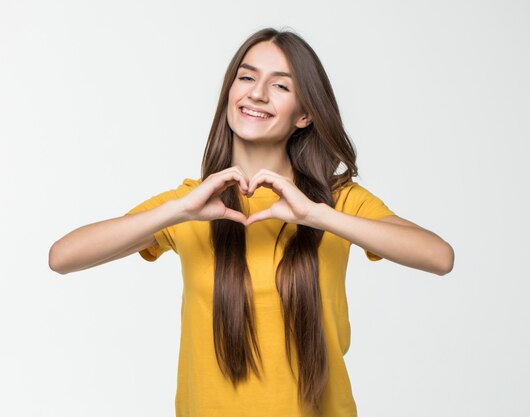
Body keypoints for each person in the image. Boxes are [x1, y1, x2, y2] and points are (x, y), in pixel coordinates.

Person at [49, 27, 454, 417]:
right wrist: (179, 211)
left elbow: (439, 257)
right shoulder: (192, 201)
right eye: (246, 77)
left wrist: (317, 214)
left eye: (281, 85)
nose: (256, 93)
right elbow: (63, 257)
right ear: (230, 92)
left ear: (305, 114)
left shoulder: (338, 201)